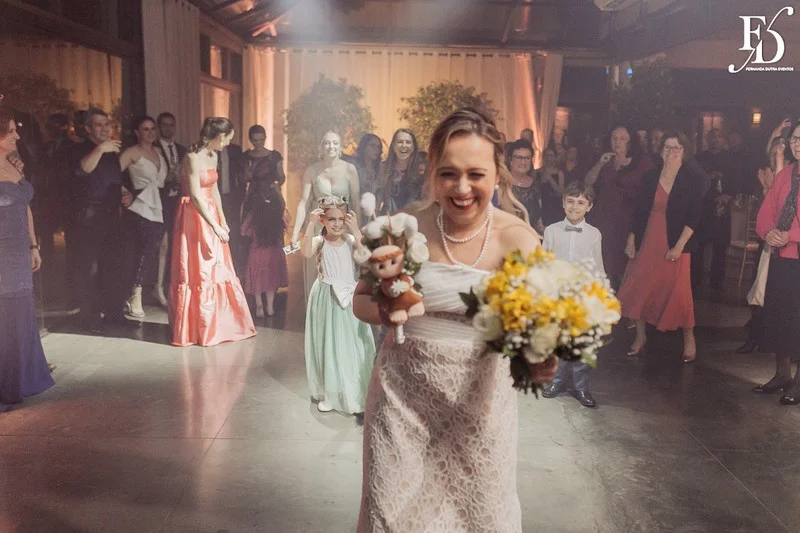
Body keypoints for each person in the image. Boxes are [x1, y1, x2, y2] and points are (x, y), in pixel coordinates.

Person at [353, 107, 557, 532]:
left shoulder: (517, 237)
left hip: (480, 404)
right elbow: (361, 303)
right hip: (401, 401)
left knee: (479, 519)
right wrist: (389, 309)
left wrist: (539, 355)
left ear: (497, 175)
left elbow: (540, 324)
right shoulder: (405, 227)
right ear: (433, 174)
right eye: (449, 174)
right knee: (393, 519)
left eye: (476, 174)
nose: (462, 188)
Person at [168, 117, 256, 347]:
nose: (227, 144)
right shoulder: (192, 157)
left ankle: (222, 322)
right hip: (193, 215)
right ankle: (199, 327)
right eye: (227, 139)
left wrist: (223, 220)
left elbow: (214, 190)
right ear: (219, 137)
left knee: (218, 266)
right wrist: (213, 225)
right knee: (201, 267)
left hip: (211, 212)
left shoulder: (213, 155)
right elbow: (196, 195)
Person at [618, 131, 703, 362]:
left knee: (679, 291)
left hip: (677, 241)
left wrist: (678, 247)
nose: (672, 152)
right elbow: (638, 211)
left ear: (685, 152)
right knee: (642, 286)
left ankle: (689, 338)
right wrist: (631, 238)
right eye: (667, 147)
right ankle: (641, 336)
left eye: (677, 148)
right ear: (661, 150)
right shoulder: (650, 176)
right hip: (649, 238)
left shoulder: (694, 179)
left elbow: (695, 217)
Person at [0, 108, 55, 412]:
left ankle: (20, 377)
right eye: (10, 131)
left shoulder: (14, 166)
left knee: (19, 317)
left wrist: (34, 245)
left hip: (20, 252)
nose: (17, 136)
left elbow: (25, 208)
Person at [302, 197, 374, 414]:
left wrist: (357, 230)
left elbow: (366, 258)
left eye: (341, 219)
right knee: (329, 343)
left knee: (353, 343)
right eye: (331, 219)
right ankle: (331, 392)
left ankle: (354, 388)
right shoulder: (319, 241)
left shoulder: (352, 240)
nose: (336, 224)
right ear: (323, 219)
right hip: (326, 296)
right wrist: (311, 224)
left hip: (349, 296)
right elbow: (305, 252)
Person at [70, 108, 133, 330]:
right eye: (98, 124)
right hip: (90, 215)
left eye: (107, 124)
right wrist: (100, 149)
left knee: (114, 265)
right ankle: (90, 319)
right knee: (91, 268)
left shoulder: (111, 153)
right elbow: (82, 171)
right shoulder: (79, 149)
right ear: (87, 128)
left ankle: (114, 314)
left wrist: (126, 193)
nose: (105, 128)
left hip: (112, 215)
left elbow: (111, 180)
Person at [751, 120, 800, 404]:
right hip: (782, 257)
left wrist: (790, 236)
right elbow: (768, 208)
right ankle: (782, 373)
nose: (796, 143)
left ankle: (798, 383)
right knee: (780, 316)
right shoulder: (785, 176)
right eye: (794, 138)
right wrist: (768, 232)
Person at [541, 182, 603, 408]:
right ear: (563, 203)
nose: (575, 207)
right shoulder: (552, 230)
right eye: (570, 201)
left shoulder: (594, 234)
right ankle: (557, 381)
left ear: (589, 207)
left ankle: (581, 386)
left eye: (581, 203)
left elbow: (597, 266)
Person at [291, 131, 361, 307]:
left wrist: (357, 229)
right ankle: (316, 312)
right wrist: (294, 233)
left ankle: (343, 312)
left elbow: (357, 202)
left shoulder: (350, 169)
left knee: (342, 270)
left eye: (335, 143)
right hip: (318, 228)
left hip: (341, 227)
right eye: (327, 143)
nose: (331, 146)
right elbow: (303, 203)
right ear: (321, 147)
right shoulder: (312, 170)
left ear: (340, 147)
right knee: (316, 271)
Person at [585, 124, 654, 288]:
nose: (618, 142)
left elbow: (647, 196)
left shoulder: (643, 163)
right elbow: (588, 182)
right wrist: (600, 164)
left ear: (631, 141)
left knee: (625, 265)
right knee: (604, 261)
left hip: (628, 220)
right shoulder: (606, 161)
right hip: (604, 218)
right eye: (614, 138)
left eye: (622, 138)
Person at [118, 116, 167, 319]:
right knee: (146, 248)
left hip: (160, 204)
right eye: (145, 129)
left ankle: (156, 288)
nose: (150, 133)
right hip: (140, 205)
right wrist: (124, 192)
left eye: (152, 129)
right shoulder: (132, 152)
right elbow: (111, 174)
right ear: (137, 132)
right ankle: (135, 294)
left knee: (159, 247)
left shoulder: (158, 152)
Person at [241, 175, 288, 318]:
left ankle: (259, 307)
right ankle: (270, 307)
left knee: (257, 280)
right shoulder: (278, 216)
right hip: (273, 253)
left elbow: (243, 231)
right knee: (271, 281)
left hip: (256, 252)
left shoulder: (254, 215)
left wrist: (252, 232)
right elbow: (284, 229)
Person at [153, 112, 187, 307]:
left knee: (177, 244)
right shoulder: (154, 148)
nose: (168, 129)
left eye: (171, 125)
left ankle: (172, 286)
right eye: (164, 125)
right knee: (162, 245)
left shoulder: (182, 150)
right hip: (160, 201)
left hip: (178, 201)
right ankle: (158, 287)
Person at [376, 128, 426, 215]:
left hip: (414, 223)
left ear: (413, 147)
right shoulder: (383, 169)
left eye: (408, 142)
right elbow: (377, 201)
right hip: (388, 223)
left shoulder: (421, 171)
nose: (404, 145)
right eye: (400, 142)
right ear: (394, 146)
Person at [243, 125, 286, 219]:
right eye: (255, 140)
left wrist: (275, 185)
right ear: (250, 140)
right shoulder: (247, 156)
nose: (258, 143)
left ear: (265, 138)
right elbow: (245, 179)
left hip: (271, 196)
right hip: (253, 196)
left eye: (261, 140)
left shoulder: (274, 156)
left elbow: (281, 177)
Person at [506, 138, 542, 232]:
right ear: (510, 160)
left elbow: (538, 217)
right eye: (518, 157)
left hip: (530, 236)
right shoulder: (502, 183)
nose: (523, 162)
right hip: (506, 236)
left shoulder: (535, 184)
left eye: (527, 158)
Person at [535, 147, 566, 226]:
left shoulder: (559, 173)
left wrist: (550, 178)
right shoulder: (536, 172)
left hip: (554, 207)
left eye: (551, 156)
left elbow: (560, 193)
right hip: (540, 206)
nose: (549, 158)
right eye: (547, 155)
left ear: (555, 157)